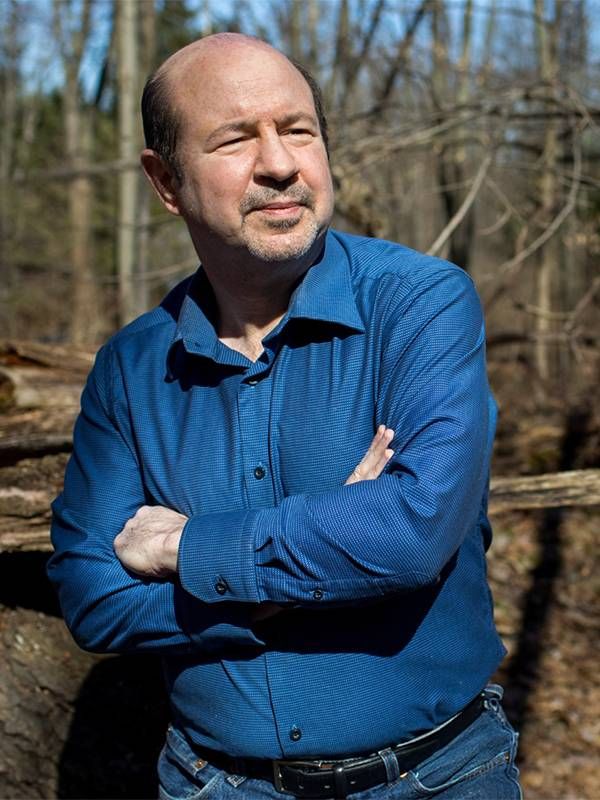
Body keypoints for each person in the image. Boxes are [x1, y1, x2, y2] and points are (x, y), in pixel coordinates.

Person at [48, 32, 522, 800]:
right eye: (236, 139)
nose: (279, 163)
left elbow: (411, 532)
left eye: (297, 129)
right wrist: (320, 557)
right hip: (217, 785)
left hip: (436, 778)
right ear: (166, 182)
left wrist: (188, 549)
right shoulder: (132, 369)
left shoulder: (418, 305)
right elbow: (93, 597)